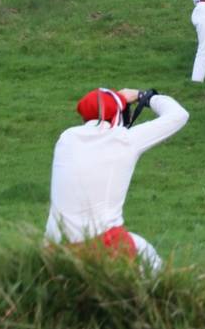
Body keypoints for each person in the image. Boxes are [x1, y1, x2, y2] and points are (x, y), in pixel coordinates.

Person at [44, 87, 190, 271]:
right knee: (151, 263)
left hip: (53, 249)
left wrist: (115, 102)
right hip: (104, 245)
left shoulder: (66, 139)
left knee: (143, 247)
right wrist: (142, 96)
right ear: (118, 115)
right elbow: (179, 115)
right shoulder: (124, 139)